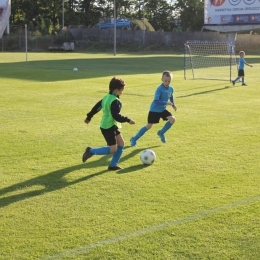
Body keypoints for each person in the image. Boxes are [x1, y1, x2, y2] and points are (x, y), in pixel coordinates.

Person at [82, 77, 135, 170]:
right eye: (122, 90)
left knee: (121, 143)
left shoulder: (106, 97)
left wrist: (89, 117)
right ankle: (91, 151)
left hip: (111, 125)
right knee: (113, 149)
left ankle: (113, 165)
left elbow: (97, 107)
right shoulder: (115, 101)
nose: (122, 92)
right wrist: (127, 120)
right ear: (116, 90)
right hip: (108, 127)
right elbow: (116, 115)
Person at [130, 70, 177, 146]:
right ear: (162, 79)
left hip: (162, 109)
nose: (167, 83)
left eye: (169, 81)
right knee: (149, 126)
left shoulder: (171, 88)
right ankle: (134, 139)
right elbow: (156, 101)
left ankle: (161, 132)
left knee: (172, 119)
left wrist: (173, 105)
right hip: (154, 110)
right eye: (165, 81)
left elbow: (171, 96)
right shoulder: (159, 89)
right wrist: (166, 103)